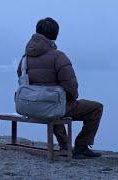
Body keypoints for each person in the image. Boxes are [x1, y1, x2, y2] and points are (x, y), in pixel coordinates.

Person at [17, 17, 103, 159]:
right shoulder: (58, 57)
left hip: (29, 107)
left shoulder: (25, 58)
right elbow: (71, 86)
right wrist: (71, 99)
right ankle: (81, 146)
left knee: (53, 104)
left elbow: (21, 81)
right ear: (55, 35)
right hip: (51, 107)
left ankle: (64, 145)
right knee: (95, 108)